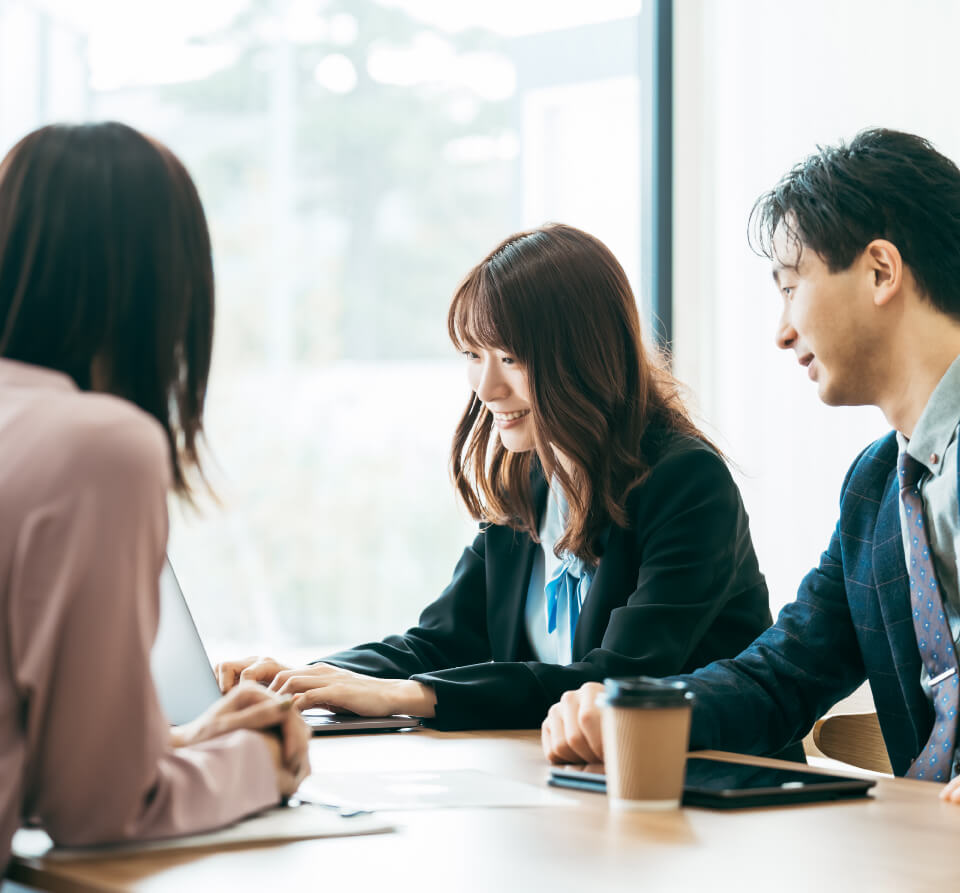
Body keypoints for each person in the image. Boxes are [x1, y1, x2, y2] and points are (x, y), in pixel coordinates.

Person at [219, 223, 777, 732]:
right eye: (472, 354)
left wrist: (411, 696)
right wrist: (306, 678)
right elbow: (440, 642)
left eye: (510, 358)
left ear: (584, 357)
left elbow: (618, 682)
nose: (485, 388)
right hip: (569, 787)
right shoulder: (533, 480)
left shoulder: (686, 481)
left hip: (708, 793)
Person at [540, 128, 960, 803]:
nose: (782, 329)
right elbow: (785, 672)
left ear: (882, 271)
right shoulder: (880, 486)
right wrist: (641, 709)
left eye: (792, 287)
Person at [0, 122, 310, 868]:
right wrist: (256, 762)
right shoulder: (94, 444)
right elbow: (98, 809)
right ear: (163, 292)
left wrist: (175, 742)